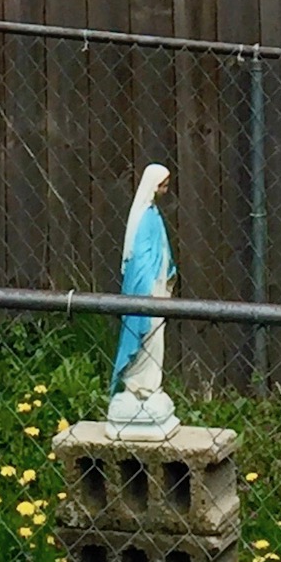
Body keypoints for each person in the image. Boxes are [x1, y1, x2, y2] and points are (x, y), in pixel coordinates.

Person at [105, 163, 180, 441]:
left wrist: (167, 273)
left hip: (156, 286)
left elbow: (161, 249)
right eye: (163, 183)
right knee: (145, 333)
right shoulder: (145, 217)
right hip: (147, 288)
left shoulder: (153, 214)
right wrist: (149, 287)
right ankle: (137, 385)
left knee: (156, 337)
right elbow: (141, 259)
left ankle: (149, 386)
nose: (166, 188)